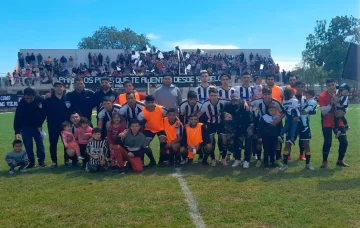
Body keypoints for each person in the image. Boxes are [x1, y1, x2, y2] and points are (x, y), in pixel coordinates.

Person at [250, 87, 285, 167]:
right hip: (262, 124)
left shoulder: (275, 102)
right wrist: (245, 104)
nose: (267, 96)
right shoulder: (258, 101)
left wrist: (278, 119)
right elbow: (248, 103)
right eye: (265, 94)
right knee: (259, 141)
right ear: (262, 94)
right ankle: (259, 159)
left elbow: (283, 112)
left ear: (271, 94)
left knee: (277, 141)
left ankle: (277, 159)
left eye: (268, 94)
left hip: (274, 124)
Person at [319, 78, 349, 168]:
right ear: (326, 86)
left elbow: (346, 106)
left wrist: (343, 112)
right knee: (328, 142)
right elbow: (323, 111)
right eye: (329, 85)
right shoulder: (322, 96)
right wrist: (331, 103)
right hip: (327, 121)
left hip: (338, 120)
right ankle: (324, 161)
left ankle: (340, 160)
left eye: (332, 85)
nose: (331, 87)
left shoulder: (340, 93)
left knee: (344, 142)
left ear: (335, 85)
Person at [14, 88, 46, 168]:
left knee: (40, 145)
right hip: (25, 128)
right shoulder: (21, 103)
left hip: (37, 127)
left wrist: (39, 124)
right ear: (24, 96)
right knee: (28, 145)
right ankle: (31, 162)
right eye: (26, 98)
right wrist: (17, 131)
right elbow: (17, 117)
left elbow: (44, 113)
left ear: (34, 96)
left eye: (30, 98)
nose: (28, 100)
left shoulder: (40, 100)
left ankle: (41, 161)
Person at [197, 87, 229, 166]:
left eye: (215, 95)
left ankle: (223, 158)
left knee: (224, 140)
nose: (214, 97)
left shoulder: (223, 102)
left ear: (218, 95)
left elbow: (234, 103)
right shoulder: (205, 104)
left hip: (221, 123)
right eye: (212, 95)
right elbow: (199, 113)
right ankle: (213, 159)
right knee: (211, 142)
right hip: (211, 124)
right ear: (209, 96)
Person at [43, 81, 71, 168]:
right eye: (57, 86)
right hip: (53, 125)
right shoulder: (48, 99)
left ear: (63, 88)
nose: (59, 88)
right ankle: (54, 161)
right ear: (54, 88)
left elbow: (71, 111)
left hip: (65, 125)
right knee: (53, 143)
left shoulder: (67, 98)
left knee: (66, 143)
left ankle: (67, 160)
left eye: (61, 86)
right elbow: (44, 112)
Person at [223, 93, 253, 168]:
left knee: (248, 141)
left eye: (236, 100)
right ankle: (237, 159)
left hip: (247, 125)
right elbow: (222, 112)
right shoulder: (228, 106)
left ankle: (247, 160)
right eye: (233, 101)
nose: (235, 102)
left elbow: (247, 119)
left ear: (239, 100)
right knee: (235, 141)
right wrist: (225, 114)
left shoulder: (244, 105)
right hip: (235, 125)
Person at [137, 95, 166, 167]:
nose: (150, 104)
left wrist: (177, 120)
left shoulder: (162, 109)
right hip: (149, 129)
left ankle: (161, 161)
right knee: (145, 144)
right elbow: (139, 122)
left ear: (155, 102)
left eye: (152, 102)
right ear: (145, 103)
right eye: (148, 103)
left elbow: (171, 115)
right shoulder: (142, 113)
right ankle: (152, 161)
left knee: (163, 140)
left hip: (161, 128)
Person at [257, 103, 282, 170]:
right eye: (271, 110)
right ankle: (266, 164)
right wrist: (259, 136)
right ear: (268, 110)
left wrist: (279, 135)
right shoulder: (264, 117)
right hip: (266, 137)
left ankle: (272, 162)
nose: (273, 112)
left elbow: (280, 127)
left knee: (273, 150)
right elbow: (260, 128)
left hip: (274, 137)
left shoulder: (277, 117)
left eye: (274, 110)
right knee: (266, 150)